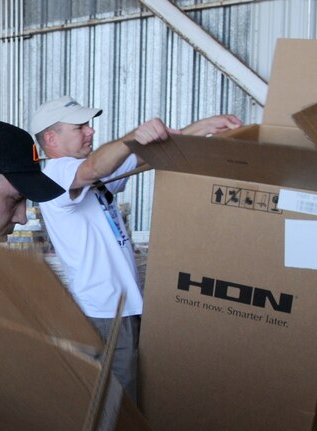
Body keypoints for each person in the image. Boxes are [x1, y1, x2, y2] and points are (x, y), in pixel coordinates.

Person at [29, 96, 242, 401]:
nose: (90, 131)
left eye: (88, 125)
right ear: (51, 138)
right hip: (103, 311)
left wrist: (203, 128)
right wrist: (132, 136)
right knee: (117, 409)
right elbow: (92, 168)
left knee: (124, 401)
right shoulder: (55, 175)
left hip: (121, 308)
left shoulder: (93, 176)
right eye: (79, 127)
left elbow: (148, 157)